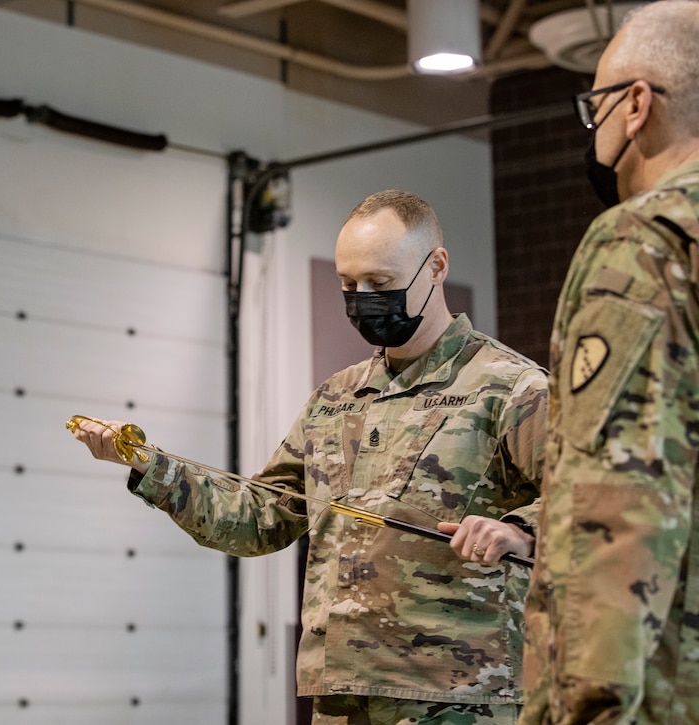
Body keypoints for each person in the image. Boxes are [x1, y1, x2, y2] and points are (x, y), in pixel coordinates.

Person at [72, 189, 548, 724]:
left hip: (459, 696)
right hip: (342, 695)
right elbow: (260, 519)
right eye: (349, 285)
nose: (363, 298)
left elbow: (596, 508)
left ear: (436, 266)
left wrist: (520, 529)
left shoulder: (511, 389)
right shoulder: (335, 399)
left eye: (381, 283)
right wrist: (148, 466)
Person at [520, 2, 699, 723]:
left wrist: (590, 706)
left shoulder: (641, 240)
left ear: (635, 105)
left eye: (595, 107)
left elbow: (617, 498)